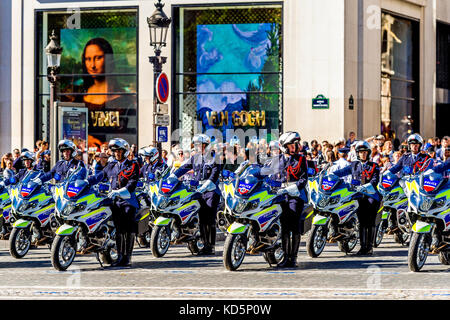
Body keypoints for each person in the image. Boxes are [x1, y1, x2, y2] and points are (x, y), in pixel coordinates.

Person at [89, 138, 140, 267]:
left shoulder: (132, 165)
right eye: (115, 151)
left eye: (120, 151)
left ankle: (127, 257)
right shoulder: (111, 166)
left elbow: (132, 184)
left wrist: (119, 191)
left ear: (125, 151)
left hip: (128, 201)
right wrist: (85, 181)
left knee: (127, 228)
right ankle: (119, 256)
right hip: (115, 202)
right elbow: (99, 177)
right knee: (118, 229)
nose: (117, 153)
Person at [170, 134, 220, 255]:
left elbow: (215, 173)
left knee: (210, 219)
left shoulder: (214, 157)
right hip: (199, 191)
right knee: (202, 219)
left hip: (211, 191)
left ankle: (211, 246)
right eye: (196, 144)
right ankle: (203, 243)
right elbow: (184, 167)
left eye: (199, 144)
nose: (197, 147)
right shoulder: (195, 157)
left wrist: (207, 184)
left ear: (206, 145)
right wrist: (173, 176)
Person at [332, 141, 381, 255]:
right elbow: (342, 172)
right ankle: (362, 246)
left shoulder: (374, 166)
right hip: (358, 196)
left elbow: (374, 181)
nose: (362, 154)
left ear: (368, 153)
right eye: (360, 152)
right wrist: (331, 175)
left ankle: (369, 247)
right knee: (362, 221)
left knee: (370, 221)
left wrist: (364, 187)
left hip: (371, 196)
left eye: (364, 152)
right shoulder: (354, 165)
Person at [269, 131, 308, 268]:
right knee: (285, 227)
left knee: (294, 227)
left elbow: (303, 179)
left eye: (296, 145)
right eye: (292, 145)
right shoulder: (276, 160)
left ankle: (293, 258)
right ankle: (285, 257)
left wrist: (293, 187)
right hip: (280, 197)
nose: (295, 147)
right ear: (284, 146)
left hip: (295, 196)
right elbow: (271, 177)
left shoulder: (301, 159)